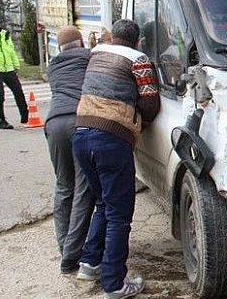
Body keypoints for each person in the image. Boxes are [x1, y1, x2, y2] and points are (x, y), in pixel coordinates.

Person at [72, 19, 160, 298]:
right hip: (110, 140)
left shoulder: (97, 52)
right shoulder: (139, 59)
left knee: (103, 203)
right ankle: (114, 283)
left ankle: (89, 263)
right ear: (138, 41)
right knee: (119, 215)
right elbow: (150, 103)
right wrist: (141, 122)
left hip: (81, 134)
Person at [44, 26, 95, 274]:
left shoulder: (52, 66)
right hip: (79, 122)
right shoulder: (88, 58)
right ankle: (73, 255)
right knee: (84, 188)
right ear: (82, 42)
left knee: (64, 186)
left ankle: (64, 245)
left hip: (54, 125)